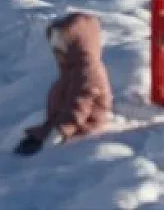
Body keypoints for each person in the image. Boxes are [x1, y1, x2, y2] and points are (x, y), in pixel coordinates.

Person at [14, 12, 114, 156]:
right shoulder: (71, 70)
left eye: (61, 42)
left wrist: (60, 132)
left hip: (80, 128)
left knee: (26, 153)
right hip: (60, 125)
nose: (57, 49)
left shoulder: (87, 71)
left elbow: (79, 105)